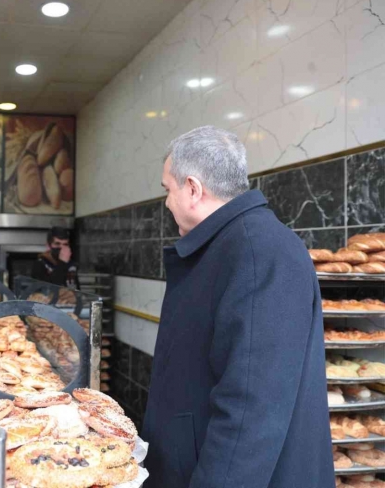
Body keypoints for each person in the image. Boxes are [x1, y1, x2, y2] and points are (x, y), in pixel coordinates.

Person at [141, 126, 334, 487]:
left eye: (168, 190)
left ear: (193, 189)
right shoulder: (228, 245)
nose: (167, 202)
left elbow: (251, 410)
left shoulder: (259, 253)